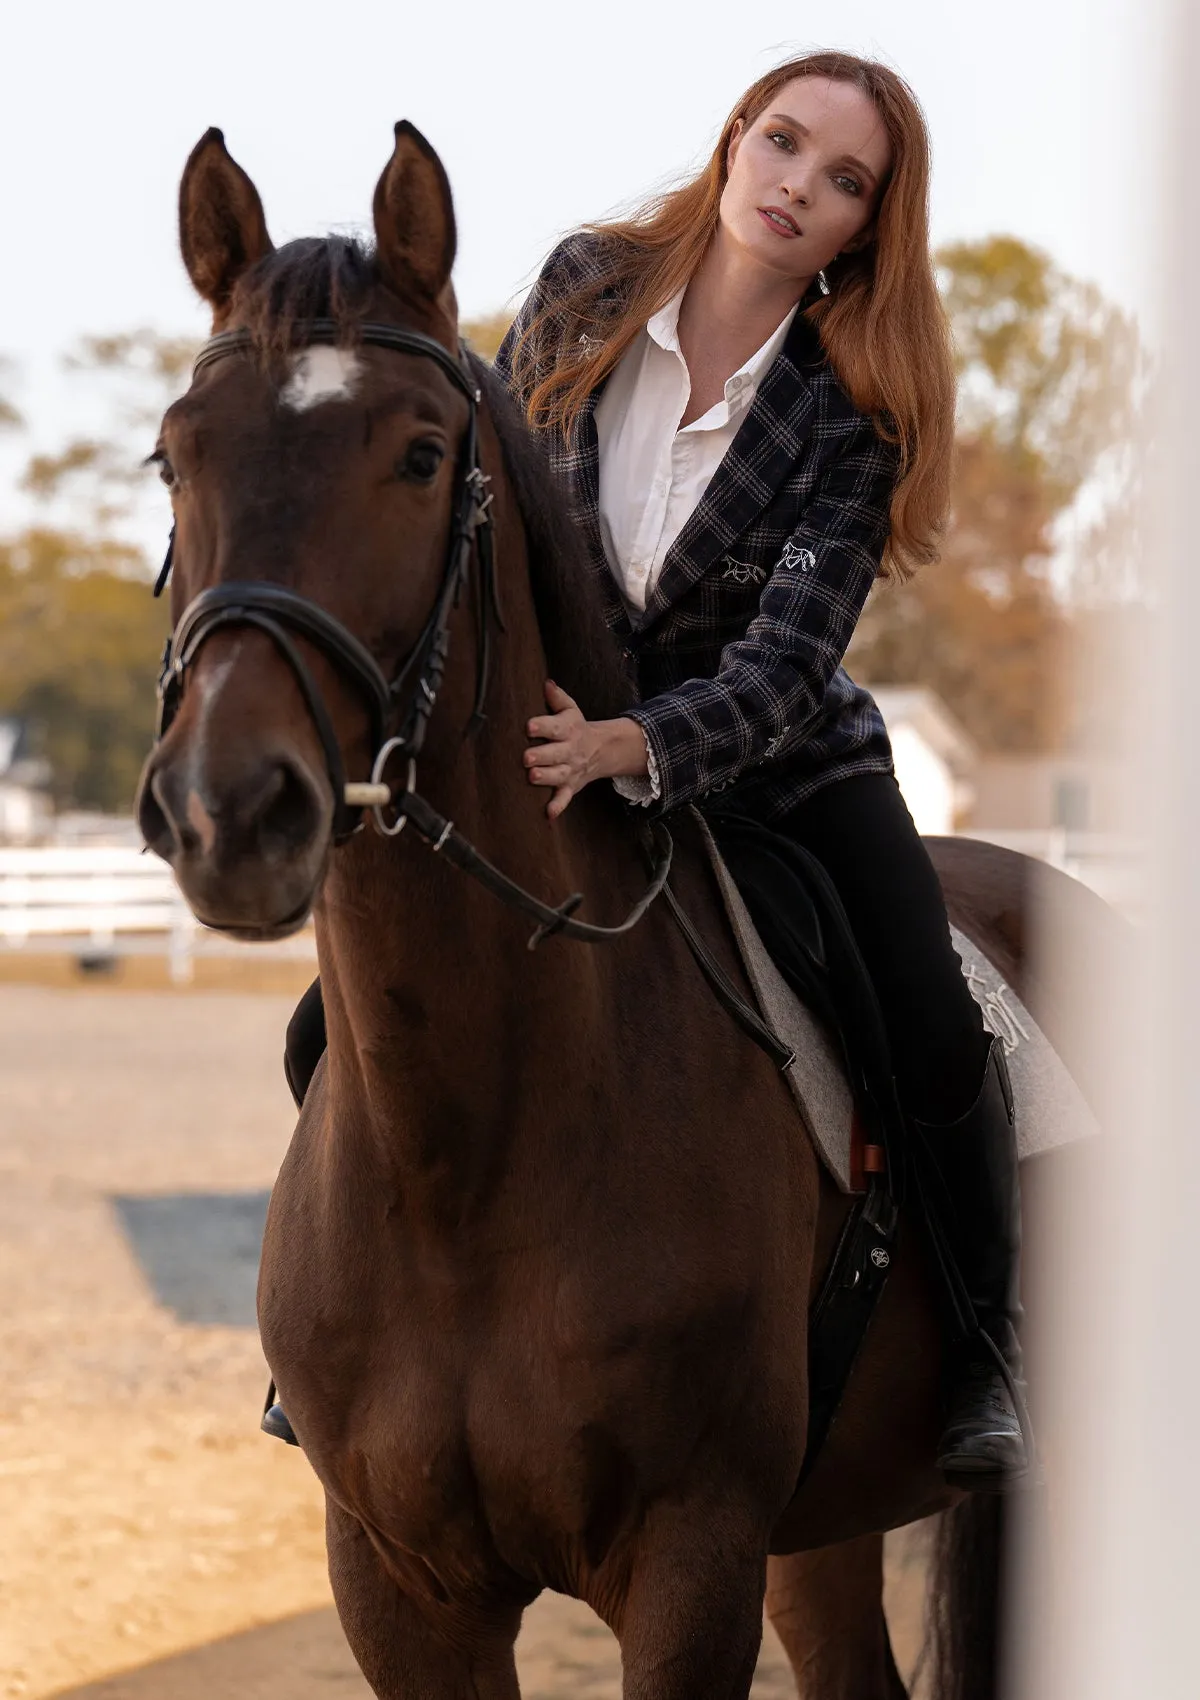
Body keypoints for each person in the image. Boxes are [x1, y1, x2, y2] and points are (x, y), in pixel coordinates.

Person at [270, 50, 1027, 1489]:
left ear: (871, 222)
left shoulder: (856, 399)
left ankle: (996, 1356)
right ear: (737, 140)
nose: (799, 185)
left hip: (776, 763)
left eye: (845, 178)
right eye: (785, 143)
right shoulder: (585, 285)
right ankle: (334, 1348)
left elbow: (794, 657)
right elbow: (478, 505)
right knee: (332, 1028)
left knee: (929, 1019)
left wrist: (644, 743)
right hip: (548, 738)